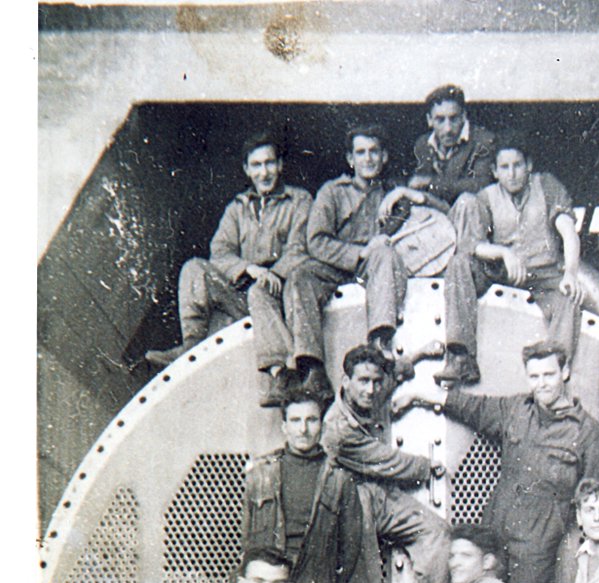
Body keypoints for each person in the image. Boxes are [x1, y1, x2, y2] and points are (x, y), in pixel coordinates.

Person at [398, 341, 599, 583]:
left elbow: (593, 497)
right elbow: (472, 407)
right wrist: (419, 395)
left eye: (549, 375)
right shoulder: (516, 410)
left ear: (565, 372)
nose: (542, 384)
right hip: (495, 533)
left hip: (539, 546)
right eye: (534, 377)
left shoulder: (588, 433)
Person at [146, 131, 312, 405]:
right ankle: (192, 346)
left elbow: (300, 247)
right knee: (194, 268)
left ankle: (281, 374)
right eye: (256, 165)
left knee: (262, 292)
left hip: (279, 295)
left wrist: (274, 273)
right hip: (243, 295)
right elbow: (220, 253)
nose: (264, 172)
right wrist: (249, 269)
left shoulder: (299, 201)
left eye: (270, 163)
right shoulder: (238, 208)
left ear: (280, 165)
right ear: (247, 170)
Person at [241, 390, 393, 583]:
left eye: (311, 420)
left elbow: (350, 549)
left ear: (321, 425)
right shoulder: (260, 475)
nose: (303, 428)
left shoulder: (338, 479)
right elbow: (247, 538)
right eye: (295, 420)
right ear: (284, 426)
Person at [281, 124, 442, 385]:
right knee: (301, 276)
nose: (368, 158)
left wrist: (407, 193)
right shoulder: (333, 192)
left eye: (374, 152)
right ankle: (312, 368)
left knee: (384, 253)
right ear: (350, 159)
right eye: (361, 152)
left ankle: (379, 342)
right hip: (336, 265)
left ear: (384, 156)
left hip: (377, 268)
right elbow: (317, 240)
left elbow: (442, 209)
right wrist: (358, 252)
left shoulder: (393, 190)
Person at [437, 131, 584, 383]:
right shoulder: (486, 197)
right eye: (504, 167)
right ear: (494, 171)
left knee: (569, 296)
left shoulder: (546, 184)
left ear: (529, 165)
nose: (512, 173)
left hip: (543, 273)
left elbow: (568, 230)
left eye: (517, 165)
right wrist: (503, 253)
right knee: (460, 263)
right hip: (502, 272)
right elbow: (472, 245)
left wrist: (570, 271)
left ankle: (555, 374)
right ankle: (461, 358)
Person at [323, 343, 450, 583]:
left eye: (376, 382)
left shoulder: (372, 395)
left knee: (436, 532)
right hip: (351, 503)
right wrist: (426, 466)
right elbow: (387, 462)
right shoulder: (338, 429)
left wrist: (418, 354)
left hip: (378, 494)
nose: (371, 390)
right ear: (346, 382)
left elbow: (396, 373)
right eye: (363, 381)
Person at [409, 83, 496, 207]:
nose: (448, 129)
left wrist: (430, 182)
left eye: (453, 119)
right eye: (440, 120)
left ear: (463, 116)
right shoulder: (423, 144)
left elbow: (482, 185)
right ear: (429, 120)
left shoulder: (483, 140)